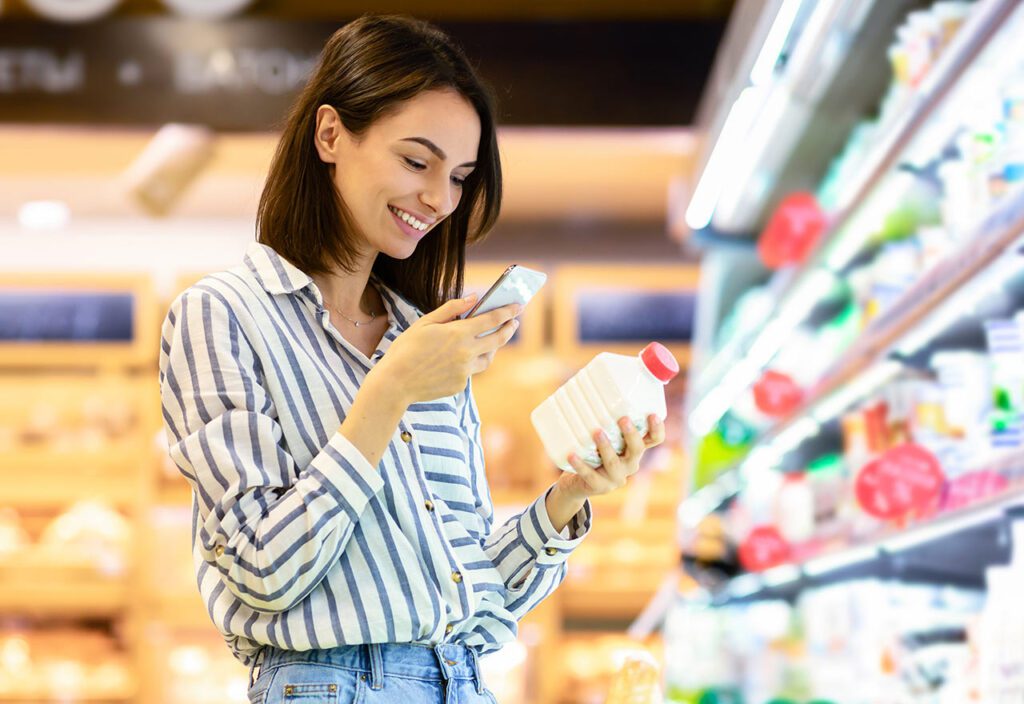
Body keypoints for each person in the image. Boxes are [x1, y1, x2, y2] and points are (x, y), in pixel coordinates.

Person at [158, 15, 666, 704]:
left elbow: (475, 602)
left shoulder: (422, 334)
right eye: (416, 161)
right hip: (328, 685)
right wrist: (388, 390)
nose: (439, 200)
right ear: (331, 134)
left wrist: (569, 496)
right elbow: (260, 569)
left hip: (460, 682)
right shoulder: (222, 314)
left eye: (458, 176)